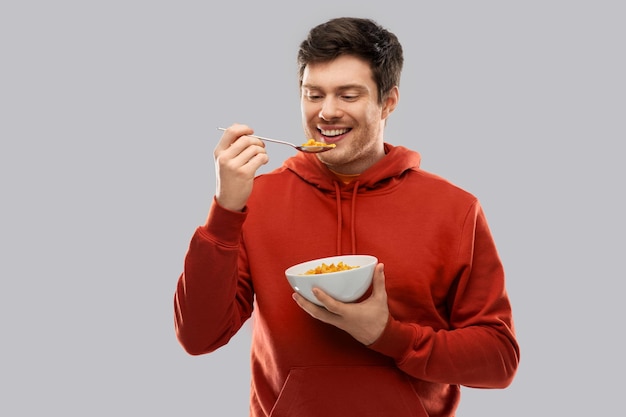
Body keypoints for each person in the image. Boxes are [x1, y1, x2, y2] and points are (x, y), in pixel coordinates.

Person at [174, 16, 520, 417]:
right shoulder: (257, 199)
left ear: (388, 101)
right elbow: (198, 337)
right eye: (313, 94)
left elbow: (499, 360)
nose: (327, 113)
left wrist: (388, 336)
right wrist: (226, 209)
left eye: (348, 95)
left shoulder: (455, 209)